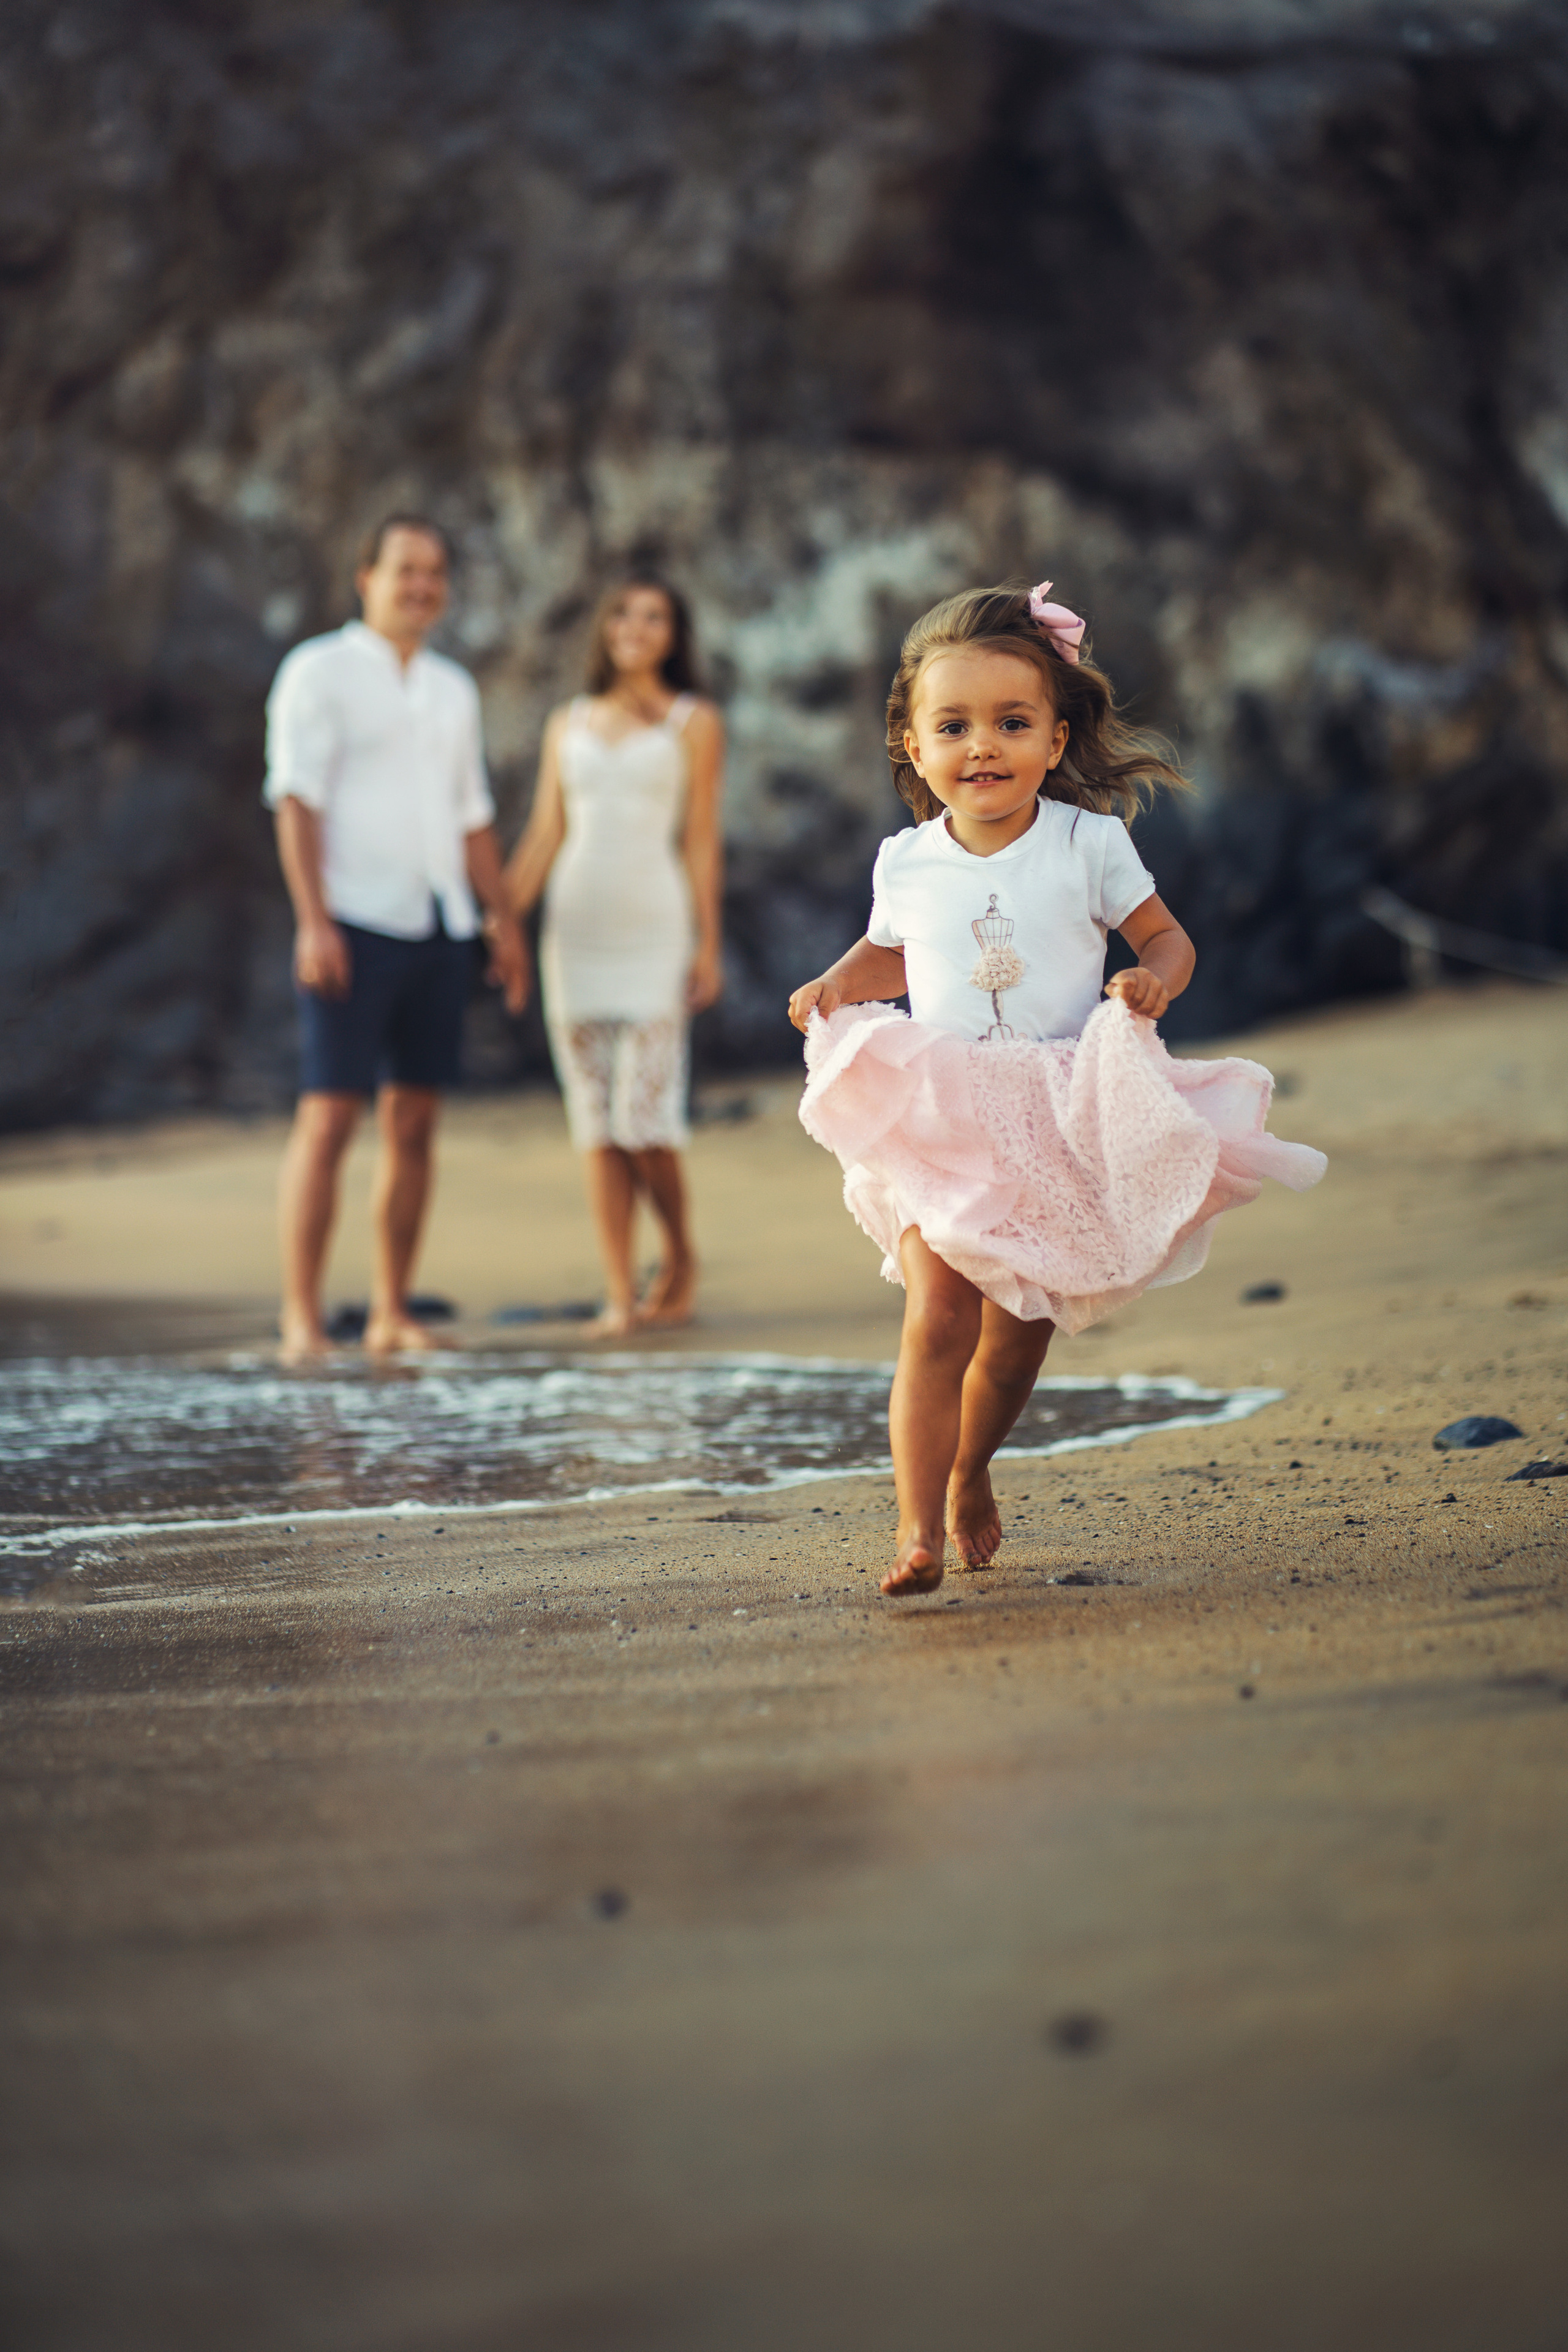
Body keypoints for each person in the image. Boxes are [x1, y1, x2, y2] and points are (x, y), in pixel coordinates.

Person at [788, 581, 1325, 1597]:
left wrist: (1150, 982)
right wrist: (834, 984)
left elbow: (1167, 936)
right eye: (954, 726)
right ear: (912, 744)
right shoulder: (905, 861)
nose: (982, 747)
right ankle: (915, 1530)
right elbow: (895, 958)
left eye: (1011, 723)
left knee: (1016, 1341)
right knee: (936, 1318)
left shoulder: (1089, 845)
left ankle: (973, 1470)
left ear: (1054, 735)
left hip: (1056, 1114)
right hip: (944, 1111)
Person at [265, 515, 528, 1363]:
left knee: (414, 1122)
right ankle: (302, 1317)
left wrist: (504, 922)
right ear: (365, 576)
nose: (422, 586)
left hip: (438, 926)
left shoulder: (452, 687)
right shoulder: (318, 671)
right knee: (329, 1119)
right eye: (405, 570)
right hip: (349, 924)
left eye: (435, 573)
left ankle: (388, 1312)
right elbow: (295, 800)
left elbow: (471, 817)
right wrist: (313, 921)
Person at [505, 573, 725, 1335]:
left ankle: (681, 1255)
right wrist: (500, 924)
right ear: (603, 629)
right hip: (574, 930)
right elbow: (542, 834)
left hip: (655, 926)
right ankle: (617, 1295)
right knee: (596, 1123)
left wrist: (709, 943)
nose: (636, 627)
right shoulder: (566, 721)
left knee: (645, 1118)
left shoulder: (694, 721)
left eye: (655, 616)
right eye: (624, 615)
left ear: (673, 634)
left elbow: (699, 838)